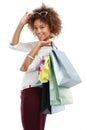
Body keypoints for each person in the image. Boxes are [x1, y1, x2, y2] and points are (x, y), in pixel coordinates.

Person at [9, 3, 62, 130]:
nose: (38, 31)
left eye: (42, 27)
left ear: (51, 27)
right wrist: (21, 23)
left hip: (32, 94)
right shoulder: (46, 45)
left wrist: (37, 46)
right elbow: (13, 45)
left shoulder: (45, 49)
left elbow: (24, 68)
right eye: (36, 28)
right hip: (41, 94)